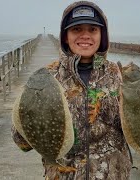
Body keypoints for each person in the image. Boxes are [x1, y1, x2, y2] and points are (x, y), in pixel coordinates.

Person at [11, 1, 132, 179]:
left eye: (92, 29)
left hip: (113, 174)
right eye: (76, 29)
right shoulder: (48, 75)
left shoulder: (118, 74)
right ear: (65, 36)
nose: (85, 35)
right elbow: (22, 142)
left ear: (102, 36)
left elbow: (133, 126)